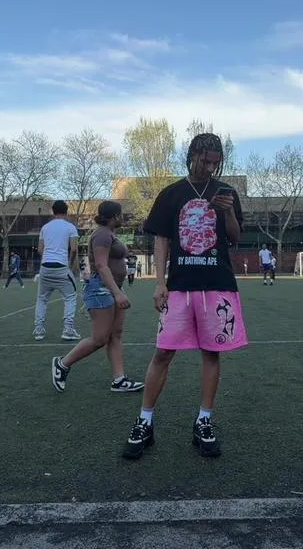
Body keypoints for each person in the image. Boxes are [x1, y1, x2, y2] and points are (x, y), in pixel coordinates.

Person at [122, 132, 247, 460]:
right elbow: (162, 239)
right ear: (192, 155)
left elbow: (235, 238)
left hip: (217, 284)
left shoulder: (226, 192)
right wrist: (159, 283)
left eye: (216, 163)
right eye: (205, 161)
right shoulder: (172, 193)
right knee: (163, 353)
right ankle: (145, 421)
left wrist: (228, 212)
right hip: (179, 286)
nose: (210, 168)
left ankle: (203, 420)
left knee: (211, 353)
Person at [51, 200, 145, 393]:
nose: (122, 217)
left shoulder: (109, 233)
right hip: (101, 289)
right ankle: (62, 363)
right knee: (100, 338)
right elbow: (101, 265)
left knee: (115, 335)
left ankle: (119, 380)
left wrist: (118, 289)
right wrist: (117, 293)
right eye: (120, 214)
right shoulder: (102, 234)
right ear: (114, 216)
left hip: (113, 287)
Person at [34, 200, 81, 342]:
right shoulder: (70, 227)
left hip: (45, 268)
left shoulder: (45, 228)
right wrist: (69, 263)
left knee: (42, 299)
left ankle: (39, 330)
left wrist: (48, 258)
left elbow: (40, 249)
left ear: (53, 211)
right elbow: (74, 249)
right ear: (66, 211)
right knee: (70, 297)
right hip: (61, 267)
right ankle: (68, 329)